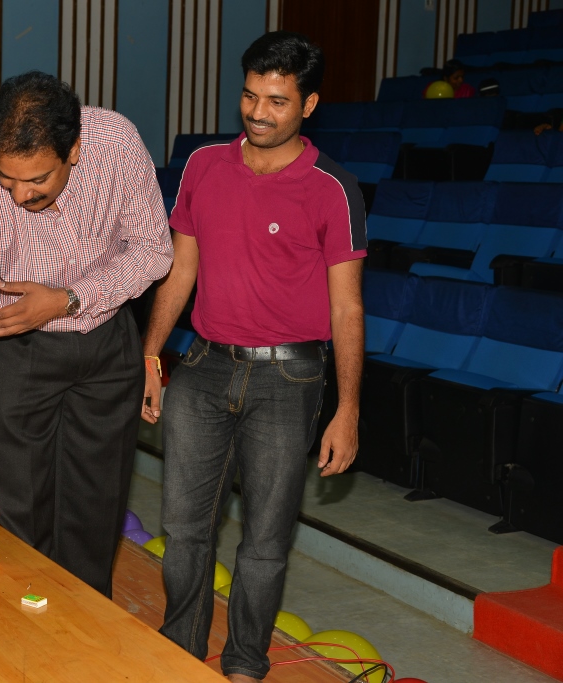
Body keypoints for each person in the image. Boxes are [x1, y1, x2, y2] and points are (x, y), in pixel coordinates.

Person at [142, 32, 366, 681]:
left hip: (288, 378)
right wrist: (151, 354)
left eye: (276, 101)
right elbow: (180, 270)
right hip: (203, 366)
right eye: (249, 96)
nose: (258, 112)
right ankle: (181, 654)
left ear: (309, 104)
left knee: (265, 541)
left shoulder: (332, 188)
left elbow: (348, 309)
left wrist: (348, 407)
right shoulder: (204, 166)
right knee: (184, 529)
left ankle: (244, 664)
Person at [0, 71, 173, 597]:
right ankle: (24, 629)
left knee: (95, 515)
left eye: (37, 180)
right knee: (17, 515)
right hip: (14, 349)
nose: (21, 195)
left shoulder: (116, 143)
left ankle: (86, 627)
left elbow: (152, 251)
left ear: (73, 150)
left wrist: (67, 299)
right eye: (9, 180)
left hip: (105, 345)